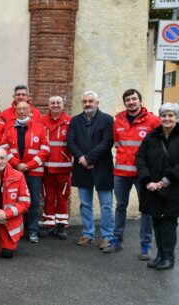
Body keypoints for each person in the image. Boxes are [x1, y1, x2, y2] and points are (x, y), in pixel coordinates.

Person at [136, 103, 179, 271]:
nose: (167, 119)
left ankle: (169, 257)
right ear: (159, 117)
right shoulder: (151, 136)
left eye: (171, 115)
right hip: (153, 188)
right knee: (157, 220)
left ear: (176, 117)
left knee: (169, 222)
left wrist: (165, 181)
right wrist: (147, 180)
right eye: (164, 115)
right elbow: (140, 158)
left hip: (174, 189)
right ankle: (160, 255)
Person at [104, 89, 161, 258]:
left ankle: (145, 246)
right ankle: (117, 241)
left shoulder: (153, 121)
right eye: (128, 100)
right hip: (121, 173)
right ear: (125, 103)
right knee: (120, 206)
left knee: (146, 209)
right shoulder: (118, 121)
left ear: (140, 100)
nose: (131, 102)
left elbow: (159, 147)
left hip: (143, 175)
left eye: (134, 99)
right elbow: (117, 144)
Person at [67, 91, 115, 249]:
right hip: (82, 167)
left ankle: (108, 236)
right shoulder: (75, 121)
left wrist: (89, 158)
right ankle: (88, 233)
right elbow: (70, 142)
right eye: (85, 101)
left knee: (106, 205)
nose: (88, 104)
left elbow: (107, 142)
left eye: (91, 101)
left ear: (97, 102)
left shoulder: (107, 120)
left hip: (103, 167)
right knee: (85, 204)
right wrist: (82, 158)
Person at [0, 101, 50, 243]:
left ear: (30, 111)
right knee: (15, 202)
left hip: (34, 172)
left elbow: (45, 150)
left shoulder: (40, 128)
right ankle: (17, 229)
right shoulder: (9, 128)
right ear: (15, 112)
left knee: (34, 202)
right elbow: (4, 148)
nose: (21, 112)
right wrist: (17, 164)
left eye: (24, 109)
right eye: (19, 110)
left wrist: (28, 166)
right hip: (15, 172)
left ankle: (32, 230)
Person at [41, 96, 72, 239]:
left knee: (62, 197)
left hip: (64, 169)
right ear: (48, 105)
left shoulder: (70, 122)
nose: (55, 105)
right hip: (46, 169)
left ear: (63, 105)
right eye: (52, 103)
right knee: (48, 197)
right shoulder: (41, 121)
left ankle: (61, 226)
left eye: (58, 103)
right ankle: (49, 225)